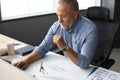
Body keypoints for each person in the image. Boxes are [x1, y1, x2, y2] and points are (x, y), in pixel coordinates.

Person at [13, 0, 98, 69]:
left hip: (88, 69)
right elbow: (43, 48)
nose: (59, 21)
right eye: (58, 15)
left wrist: (64, 47)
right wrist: (26, 60)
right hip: (68, 66)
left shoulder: (90, 30)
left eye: (64, 16)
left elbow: (85, 63)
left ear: (75, 15)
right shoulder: (57, 26)